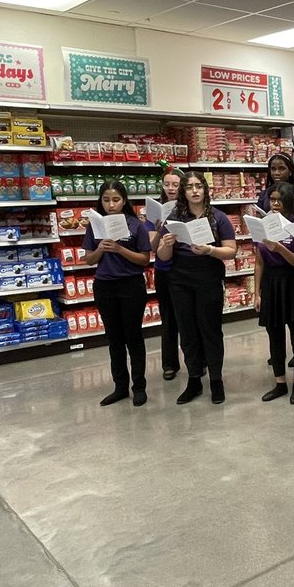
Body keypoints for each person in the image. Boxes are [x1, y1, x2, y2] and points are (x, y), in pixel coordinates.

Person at [155, 171, 238, 405]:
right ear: (183, 191)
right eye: (189, 187)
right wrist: (167, 244)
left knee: (210, 330)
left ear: (205, 189)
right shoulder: (174, 217)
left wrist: (210, 250)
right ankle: (194, 380)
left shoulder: (218, 217)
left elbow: (231, 250)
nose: (194, 190)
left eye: (198, 186)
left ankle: (216, 380)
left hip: (208, 278)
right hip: (179, 280)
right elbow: (161, 256)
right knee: (187, 331)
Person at [83, 180, 152, 407]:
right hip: (104, 286)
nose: (111, 205)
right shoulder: (94, 226)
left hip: (131, 285)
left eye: (116, 200)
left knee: (133, 337)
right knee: (114, 339)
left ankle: (139, 386)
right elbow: (89, 259)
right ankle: (120, 386)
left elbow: (144, 259)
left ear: (124, 201)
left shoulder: (135, 225)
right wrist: (100, 249)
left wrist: (120, 249)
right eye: (106, 200)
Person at [254, 182, 294, 405]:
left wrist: (279, 248)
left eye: (280, 200)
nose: (275, 204)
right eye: (272, 200)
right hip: (271, 285)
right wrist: (256, 293)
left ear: (289, 202)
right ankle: (280, 382)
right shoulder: (263, 225)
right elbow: (259, 262)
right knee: (274, 336)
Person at [149, 167, 184, 380]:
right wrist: (158, 228)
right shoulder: (156, 210)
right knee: (168, 319)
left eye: (175, 184)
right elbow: (152, 247)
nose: (170, 188)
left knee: (191, 318)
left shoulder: (192, 208)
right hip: (164, 270)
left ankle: (199, 360)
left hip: (186, 268)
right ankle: (169, 364)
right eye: (167, 184)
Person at [257, 152, 294, 227]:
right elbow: (258, 219)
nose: (277, 173)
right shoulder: (264, 194)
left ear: (290, 171)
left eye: (282, 169)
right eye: (273, 169)